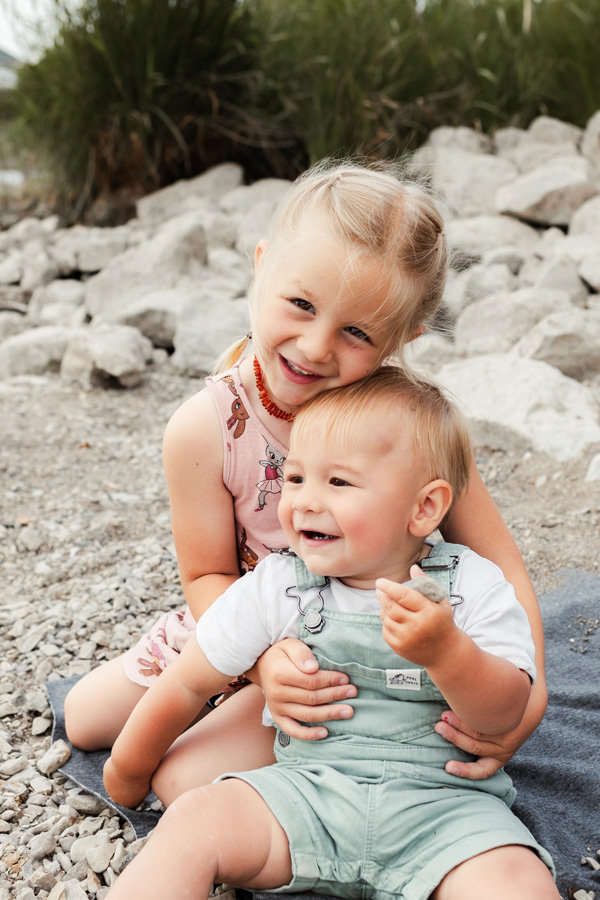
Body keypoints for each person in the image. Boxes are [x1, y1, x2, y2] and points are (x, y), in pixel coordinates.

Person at [64, 158, 547, 794]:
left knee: (184, 783)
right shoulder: (206, 429)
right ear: (262, 265)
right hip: (246, 623)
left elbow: (503, 566)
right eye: (300, 303)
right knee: (85, 720)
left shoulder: (406, 430)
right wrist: (260, 663)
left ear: (404, 336)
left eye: (355, 331)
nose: (316, 347)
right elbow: (208, 575)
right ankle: (219, 702)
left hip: (351, 657)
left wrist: (530, 700)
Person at [103, 368, 558, 900]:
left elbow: (502, 715)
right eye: (295, 478)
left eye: (337, 482)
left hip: (446, 814)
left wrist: (448, 653)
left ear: (424, 508)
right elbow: (185, 683)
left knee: (519, 881)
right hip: (306, 799)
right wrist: (126, 769)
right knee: (195, 817)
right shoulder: (280, 585)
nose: (305, 502)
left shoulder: (473, 586)